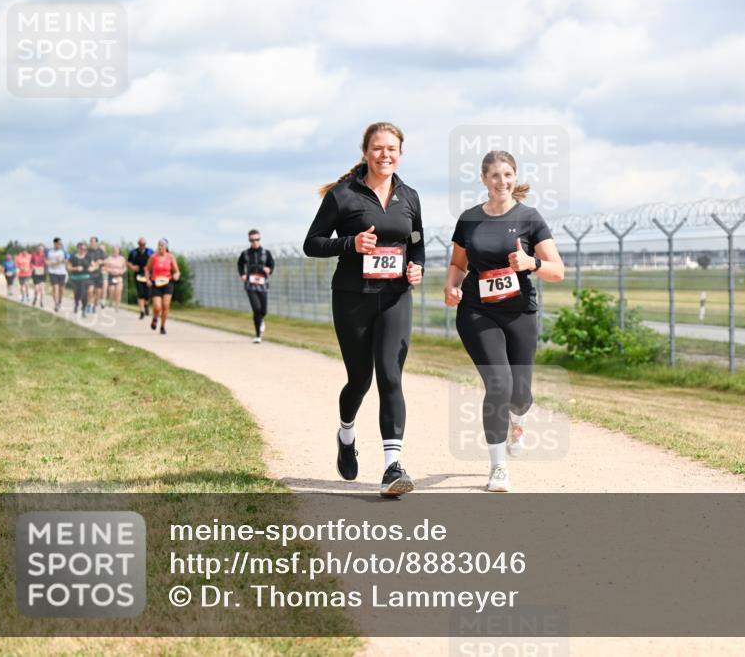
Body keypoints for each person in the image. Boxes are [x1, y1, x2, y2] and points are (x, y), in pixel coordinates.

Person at [304, 121, 424, 498]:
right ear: (366, 152)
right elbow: (312, 243)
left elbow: (416, 241)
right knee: (360, 380)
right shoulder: (344, 195)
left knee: (390, 377)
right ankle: (346, 433)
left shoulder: (410, 196)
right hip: (353, 297)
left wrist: (417, 266)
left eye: (391, 148)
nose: (384, 154)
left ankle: (392, 467)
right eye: (377, 148)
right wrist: (350, 243)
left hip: (395, 297)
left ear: (400, 154)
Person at [443, 150, 565, 492]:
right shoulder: (468, 219)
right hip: (477, 311)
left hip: (519, 311)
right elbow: (458, 264)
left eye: (508, 175)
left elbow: (558, 270)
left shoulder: (530, 217)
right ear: (483, 179)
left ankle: (518, 418)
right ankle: (498, 467)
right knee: (498, 384)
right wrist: (451, 286)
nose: (502, 182)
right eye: (495, 176)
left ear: (515, 177)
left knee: (520, 394)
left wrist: (531, 264)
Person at [238, 229, 275, 343]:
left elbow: (271, 264)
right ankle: (258, 335)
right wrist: (242, 274)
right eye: (252, 240)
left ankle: (261, 320)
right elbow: (240, 264)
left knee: (263, 310)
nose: (255, 242)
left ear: (259, 239)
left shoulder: (266, 253)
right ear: (249, 240)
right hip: (250, 284)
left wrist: (269, 269)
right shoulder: (245, 254)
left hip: (262, 284)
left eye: (257, 239)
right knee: (256, 309)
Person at [145, 238, 180, 335]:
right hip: (156, 284)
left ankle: (162, 326)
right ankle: (155, 318)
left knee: (165, 305)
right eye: (159, 245)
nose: (160, 247)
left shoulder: (170, 257)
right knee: (157, 307)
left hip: (168, 283)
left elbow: (176, 271)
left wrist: (176, 275)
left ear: (166, 247)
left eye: (162, 245)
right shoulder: (153, 257)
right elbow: (147, 269)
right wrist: (148, 280)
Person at [127, 238, 153, 320]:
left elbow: (155, 261)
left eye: (144, 244)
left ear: (146, 244)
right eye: (141, 244)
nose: (142, 246)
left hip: (148, 275)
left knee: (148, 295)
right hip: (138, 275)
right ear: (138, 244)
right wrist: (132, 267)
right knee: (140, 293)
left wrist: (150, 268)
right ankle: (142, 312)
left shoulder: (150, 252)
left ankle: (146, 305)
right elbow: (128, 262)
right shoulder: (133, 252)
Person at [67, 242, 92, 318]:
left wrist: (92, 268)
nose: (83, 250)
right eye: (82, 249)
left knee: (84, 294)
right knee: (77, 294)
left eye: (85, 249)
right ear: (78, 249)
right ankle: (76, 303)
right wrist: (76, 268)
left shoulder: (88, 257)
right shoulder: (73, 257)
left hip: (85, 278)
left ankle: (84, 310)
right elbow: (68, 267)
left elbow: (94, 265)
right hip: (76, 278)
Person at [46, 238, 69, 312]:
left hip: (62, 272)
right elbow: (46, 261)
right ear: (54, 243)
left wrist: (62, 260)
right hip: (52, 272)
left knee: (61, 289)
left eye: (61, 243)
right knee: (55, 288)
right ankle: (56, 304)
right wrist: (53, 263)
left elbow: (67, 260)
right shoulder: (49, 251)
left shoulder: (64, 251)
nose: (60, 245)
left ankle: (59, 302)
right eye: (59, 243)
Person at [103, 246, 128, 310]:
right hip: (111, 276)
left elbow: (125, 267)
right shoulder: (109, 258)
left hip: (119, 277)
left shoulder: (122, 259)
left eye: (117, 250)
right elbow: (104, 267)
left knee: (118, 291)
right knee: (111, 291)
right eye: (114, 250)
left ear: (119, 251)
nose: (115, 251)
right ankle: (110, 301)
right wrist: (110, 270)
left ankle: (117, 306)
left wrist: (122, 271)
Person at [86, 237, 106, 313]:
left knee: (97, 292)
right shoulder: (87, 251)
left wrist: (99, 263)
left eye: (94, 242)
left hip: (98, 275)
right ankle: (89, 305)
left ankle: (94, 306)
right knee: (90, 290)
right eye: (91, 241)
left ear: (96, 243)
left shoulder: (101, 251)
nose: (92, 243)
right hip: (90, 275)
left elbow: (105, 260)